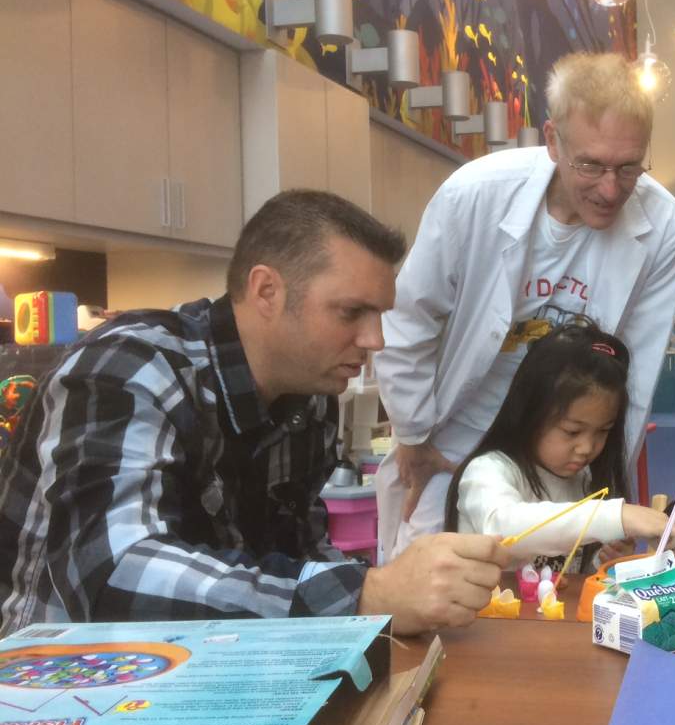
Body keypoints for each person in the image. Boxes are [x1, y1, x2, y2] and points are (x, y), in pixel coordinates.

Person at [0, 190, 508, 637]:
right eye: (352, 312)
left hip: (205, 680)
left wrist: (401, 598)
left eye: (380, 316)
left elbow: (299, 556)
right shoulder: (127, 370)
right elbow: (115, 575)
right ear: (267, 291)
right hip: (56, 699)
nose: (375, 340)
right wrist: (368, 594)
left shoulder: (309, 399)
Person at [374, 51, 675, 560]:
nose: (610, 189)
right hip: (452, 434)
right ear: (551, 141)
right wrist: (411, 432)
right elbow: (407, 317)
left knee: (555, 582)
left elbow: (636, 371)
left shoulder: (665, 225)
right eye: (590, 164)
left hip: (565, 441)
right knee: (432, 575)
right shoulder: (473, 196)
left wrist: (606, 482)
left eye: (628, 167)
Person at [445, 322, 675, 568]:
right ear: (530, 413)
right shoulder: (488, 471)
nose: (586, 447)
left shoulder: (583, 481)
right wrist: (614, 516)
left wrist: (604, 561)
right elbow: (503, 530)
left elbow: (566, 576)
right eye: (572, 431)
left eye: (603, 431)